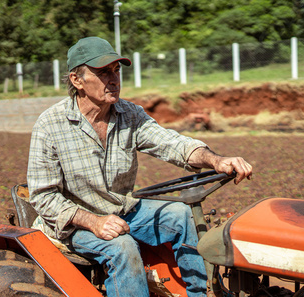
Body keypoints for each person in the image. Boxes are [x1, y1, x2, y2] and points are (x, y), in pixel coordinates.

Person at [27, 36, 253, 297]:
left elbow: (173, 143)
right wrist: (94, 222)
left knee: (181, 214)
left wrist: (217, 160)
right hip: (73, 224)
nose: (113, 79)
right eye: (102, 73)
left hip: (123, 209)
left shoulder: (130, 114)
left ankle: (200, 294)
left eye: (116, 71)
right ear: (77, 80)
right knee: (122, 247)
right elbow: (44, 197)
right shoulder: (50, 125)